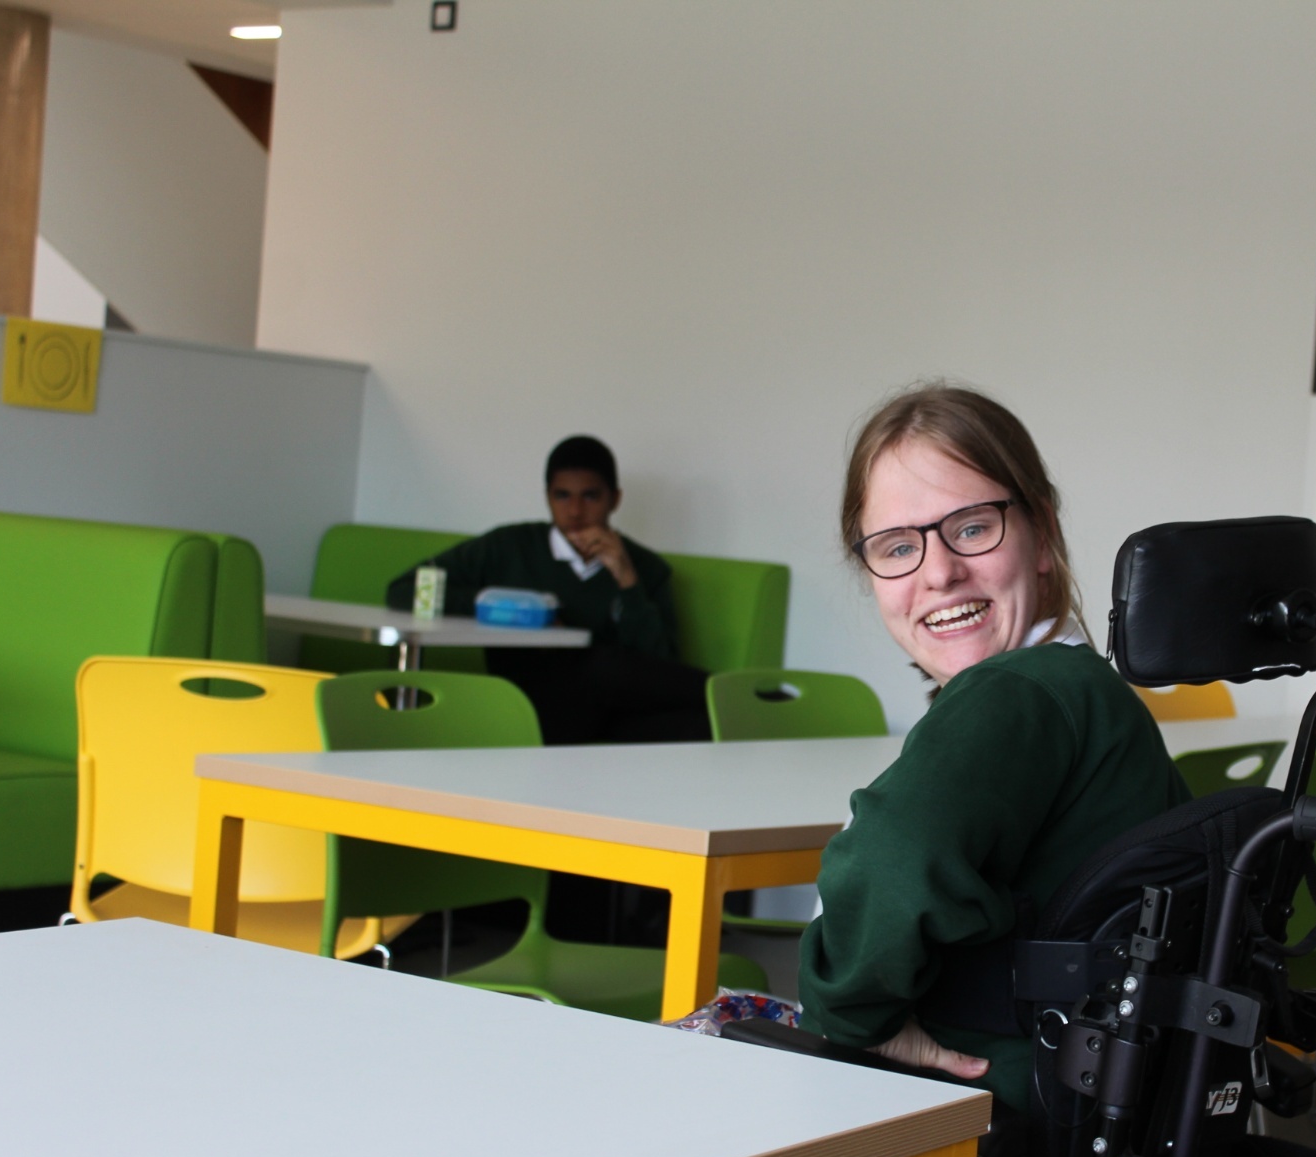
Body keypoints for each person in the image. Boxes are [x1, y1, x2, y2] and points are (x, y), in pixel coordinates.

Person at [797, 385, 1189, 1114]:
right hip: (1078, 1099)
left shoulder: (1019, 693)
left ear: (1041, 534)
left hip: (974, 1115)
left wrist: (850, 1020)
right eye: (898, 547)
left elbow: (895, 857)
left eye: (972, 528)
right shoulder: (1081, 685)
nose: (938, 572)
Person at [386, 435, 710, 744]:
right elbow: (404, 589)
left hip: (617, 711)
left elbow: (662, 668)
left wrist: (627, 581)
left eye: (591, 496)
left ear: (615, 499)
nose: (575, 511)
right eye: (562, 496)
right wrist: (510, 609)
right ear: (547, 497)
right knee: (602, 664)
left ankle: (726, 699)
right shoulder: (509, 546)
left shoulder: (645, 567)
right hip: (532, 704)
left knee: (702, 726)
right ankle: (723, 689)